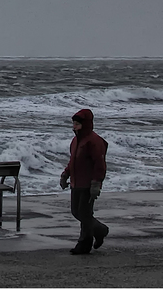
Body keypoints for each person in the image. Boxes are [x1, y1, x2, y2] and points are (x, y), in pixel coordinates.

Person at [59, 108, 109, 254]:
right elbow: (73, 161)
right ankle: (98, 232)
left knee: (84, 213)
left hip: (88, 184)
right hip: (76, 182)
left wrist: (96, 183)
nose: (74, 126)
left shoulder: (94, 141)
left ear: (85, 124)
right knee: (77, 212)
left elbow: (100, 165)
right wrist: (65, 175)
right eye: (74, 123)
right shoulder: (76, 140)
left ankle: (87, 241)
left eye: (77, 124)